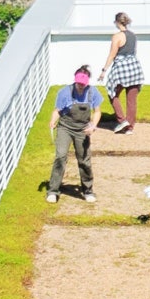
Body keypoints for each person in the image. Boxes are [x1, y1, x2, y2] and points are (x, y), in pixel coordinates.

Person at [46, 65, 101, 203]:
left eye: (83, 84)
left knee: (84, 160)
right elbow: (57, 110)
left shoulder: (93, 93)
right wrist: (53, 122)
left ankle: (88, 190)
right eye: (79, 84)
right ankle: (53, 190)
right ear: (75, 81)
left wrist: (93, 126)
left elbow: (97, 112)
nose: (81, 87)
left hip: (82, 129)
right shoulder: (64, 92)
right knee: (60, 156)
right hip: (65, 127)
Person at [100, 12, 145, 134]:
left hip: (121, 68)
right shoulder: (133, 35)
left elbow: (112, 54)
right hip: (135, 67)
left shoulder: (117, 36)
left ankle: (122, 120)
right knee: (132, 100)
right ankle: (129, 127)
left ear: (117, 22)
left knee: (112, 92)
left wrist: (104, 70)